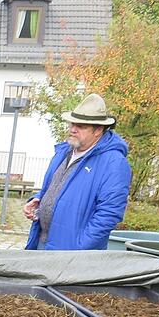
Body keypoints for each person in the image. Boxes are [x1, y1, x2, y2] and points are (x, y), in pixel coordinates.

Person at [23, 93, 131, 250]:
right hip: (42, 242)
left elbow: (109, 214)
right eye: (72, 123)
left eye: (81, 126)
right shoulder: (63, 152)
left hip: (73, 254)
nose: (73, 129)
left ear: (98, 130)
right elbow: (56, 189)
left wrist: (80, 248)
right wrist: (38, 200)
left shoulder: (114, 163)